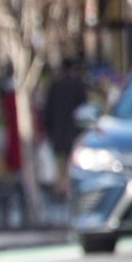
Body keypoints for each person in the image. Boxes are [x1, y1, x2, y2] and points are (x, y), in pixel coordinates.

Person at [42, 58, 88, 197]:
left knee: (61, 165)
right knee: (72, 165)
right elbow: (83, 108)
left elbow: (48, 111)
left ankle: (61, 190)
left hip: (58, 133)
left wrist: (49, 130)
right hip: (74, 132)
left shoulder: (54, 86)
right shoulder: (78, 85)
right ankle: (68, 190)